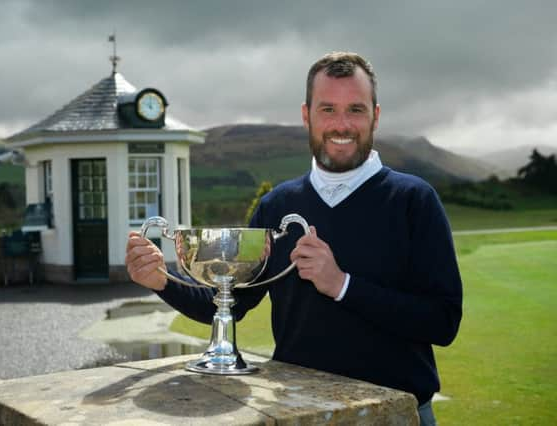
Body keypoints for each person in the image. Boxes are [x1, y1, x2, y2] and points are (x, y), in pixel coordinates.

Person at [126, 51, 462, 426]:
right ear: (306, 115)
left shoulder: (413, 200)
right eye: (327, 109)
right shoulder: (277, 206)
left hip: (396, 417)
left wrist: (342, 285)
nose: (341, 124)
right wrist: (161, 279)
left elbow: (443, 322)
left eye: (355, 109)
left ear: (375, 116)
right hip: (298, 415)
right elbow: (226, 303)